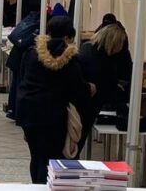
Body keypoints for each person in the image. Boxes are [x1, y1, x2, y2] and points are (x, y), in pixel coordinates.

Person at [16, 16, 94, 184]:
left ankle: (36, 184)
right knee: (50, 159)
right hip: (53, 114)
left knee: (36, 155)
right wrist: (90, 88)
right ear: (69, 36)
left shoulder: (32, 53)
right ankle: (44, 186)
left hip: (29, 110)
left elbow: (23, 79)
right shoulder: (70, 59)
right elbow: (76, 88)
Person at [76, 23, 131, 153]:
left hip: (81, 105)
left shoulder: (86, 48)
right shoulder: (101, 59)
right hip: (87, 107)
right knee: (75, 146)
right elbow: (105, 87)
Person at [6, 10, 41, 119]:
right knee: (20, 85)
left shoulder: (31, 21)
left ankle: (13, 110)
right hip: (23, 59)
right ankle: (17, 111)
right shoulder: (40, 25)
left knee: (16, 85)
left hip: (17, 57)